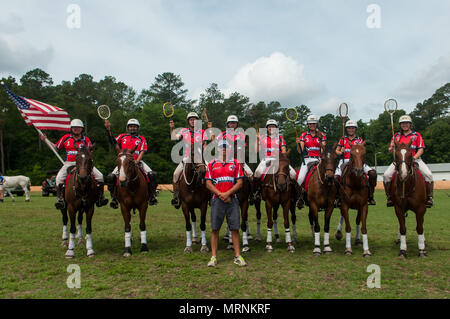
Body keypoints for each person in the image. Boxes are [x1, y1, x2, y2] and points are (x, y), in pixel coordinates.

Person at [40, 119, 108, 209]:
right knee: (59, 178)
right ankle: (60, 199)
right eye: (74, 128)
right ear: (71, 129)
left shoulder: (86, 139)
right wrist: (46, 140)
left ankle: (100, 198)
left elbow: (90, 153)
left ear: (82, 129)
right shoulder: (65, 138)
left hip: (84, 163)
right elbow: (56, 148)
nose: (76, 129)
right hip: (69, 163)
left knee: (100, 176)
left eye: (78, 128)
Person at [205, 140, 247, 267]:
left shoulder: (235, 163)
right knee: (215, 229)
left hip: (232, 200)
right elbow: (208, 183)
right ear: (217, 149)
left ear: (229, 150)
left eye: (225, 147)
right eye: (221, 147)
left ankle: (238, 256)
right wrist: (220, 194)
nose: (223, 149)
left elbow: (239, 182)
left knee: (234, 228)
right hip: (217, 200)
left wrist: (227, 194)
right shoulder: (212, 164)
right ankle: (213, 257)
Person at [104, 118, 158, 208]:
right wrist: (108, 130)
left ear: (138, 128)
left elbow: (142, 151)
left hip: (137, 161)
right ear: (127, 128)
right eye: (131, 126)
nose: (132, 128)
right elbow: (113, 142)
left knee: (152, 174)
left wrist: (137, 161)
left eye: (134, 127)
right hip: (124, 162)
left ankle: (152, 196)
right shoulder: (122, 136)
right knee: (111, 177)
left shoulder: (141, 138)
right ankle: (114, 198)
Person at [383, 115, 433, 207]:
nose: (404, 125)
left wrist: (414, 158)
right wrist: (392, 147)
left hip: (415, 159)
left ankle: (429, 197)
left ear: (410, 124)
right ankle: (389, 197)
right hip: (399, 161)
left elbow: (421, 149)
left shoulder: (416, 135)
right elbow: (390, 150)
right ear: (400, 125)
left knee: (428, 175)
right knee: (386, 175)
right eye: (402, 123)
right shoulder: (396, 136)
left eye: (406, 123)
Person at [169, 112, 212, 208]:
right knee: (176, 174)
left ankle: (211, 196)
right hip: (187, 157)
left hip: (200, 158)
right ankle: (176, 196)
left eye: (195, 120)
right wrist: (172, 128)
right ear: (188, 121)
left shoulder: (202, 131)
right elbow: (174, 138)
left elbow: (205, 144)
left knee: (211, 172)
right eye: (191, 120)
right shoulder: (183, 131)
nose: (193, 121)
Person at [334, 120, 377, 205]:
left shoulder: (359, 140)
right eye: (349, 128)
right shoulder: (343, 139)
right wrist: (341, 152)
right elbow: (336, 151)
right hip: (344, 161)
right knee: (336, 178)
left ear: (355, 129)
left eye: (352, 128)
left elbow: (362, 151)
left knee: (373, 174)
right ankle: (338, 197)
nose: (351, 130)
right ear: (346, 129)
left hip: (358, 161)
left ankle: (370, 195)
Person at [253, 119, 297, 199]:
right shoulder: (262, 137)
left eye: (273, 126)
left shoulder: (280, 138)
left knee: (293, 174)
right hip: (266, 159)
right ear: (267, 128)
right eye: (269, 127)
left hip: (279, 160)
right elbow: (256, 150)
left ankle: (293, 194)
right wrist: (257, 139)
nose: (271, 128)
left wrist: (283, 157)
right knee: (257, 173)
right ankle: (257, 192)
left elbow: (283, 150)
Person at [217, 115, 255, 203]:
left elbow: (243, 149)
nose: (232, 125)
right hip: (225, 161)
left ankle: (251, 195)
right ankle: (212, 196)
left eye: (234, 123)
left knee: (250, 175)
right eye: (230, 123)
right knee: (216, 175)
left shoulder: (241, 135)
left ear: (237, 124)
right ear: (228, 124)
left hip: (239, 160)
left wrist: (240, 161)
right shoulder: (222, 135)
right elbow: (218, 148)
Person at [295, 115, 326, 208]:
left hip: (319, 159)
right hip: (307, 159)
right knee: (300, 179)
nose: (312, 125)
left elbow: (323, 150)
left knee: (330, 176)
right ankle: (300, 198)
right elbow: (300, 151)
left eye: (314, 123)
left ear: (317, 124)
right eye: (310, 124)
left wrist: (320, 140)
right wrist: (298, 144)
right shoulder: (304, 135)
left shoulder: (322, 135)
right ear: (308, 125)